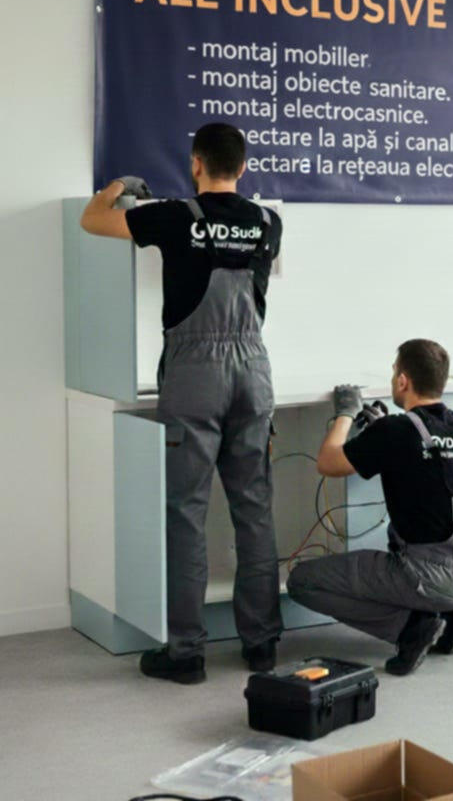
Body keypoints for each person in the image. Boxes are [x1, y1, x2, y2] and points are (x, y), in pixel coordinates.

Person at [80, 123, 283, 683]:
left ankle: (187, 653)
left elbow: (92, 220)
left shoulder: (174, 216)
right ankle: (262, 644)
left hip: (196, 376)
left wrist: (119, 185)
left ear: (196, 163)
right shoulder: (270, 223)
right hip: (254, 372)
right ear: (243, 167)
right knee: (254, 511)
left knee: (187, 513)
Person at [287, 339, 453, 676]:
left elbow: (328, 462)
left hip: (430, 576)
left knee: (301, 581)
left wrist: (345, 413)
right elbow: (428, 465)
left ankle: (411, 628)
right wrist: (380, 430)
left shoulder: (395, 431)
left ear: (402, 380)